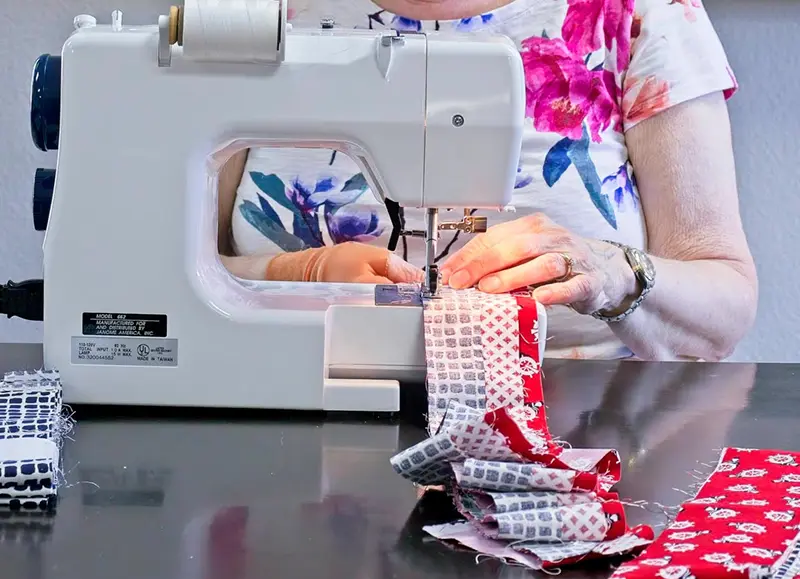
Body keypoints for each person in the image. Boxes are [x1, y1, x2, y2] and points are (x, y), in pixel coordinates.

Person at [218, 0, 757, 362]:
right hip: (282, 415)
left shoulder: (641, 13)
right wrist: (296, 274)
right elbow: (155, 282)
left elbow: (724, 307)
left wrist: (610, 273)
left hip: (589, 434)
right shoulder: (253, 15)